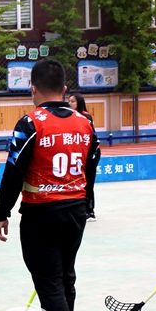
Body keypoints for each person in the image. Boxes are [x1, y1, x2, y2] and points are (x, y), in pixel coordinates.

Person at [0, 58, 98, 311]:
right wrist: (85, 203)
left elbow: (14, 170)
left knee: (50, 283)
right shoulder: (85, 123)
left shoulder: (30, 123)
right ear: (65, 90)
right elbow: (90, 168)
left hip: (42, 214)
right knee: (65, 279)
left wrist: (1, 212)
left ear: (32, 89)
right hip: (75, 212)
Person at [68, 93, 101, 222]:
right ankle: (80, 209)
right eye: (69, 101)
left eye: (72, 101)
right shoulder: (70, 116)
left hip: (92, 153)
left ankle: (90, 211)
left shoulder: (85, 116)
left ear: (79, 103)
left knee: (88, 182)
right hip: (80, 154)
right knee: (79, 183)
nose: (69, 103)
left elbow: (90, 138)